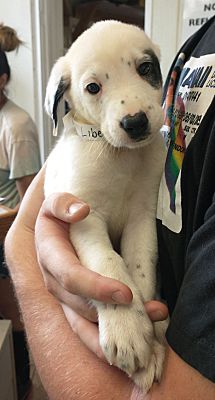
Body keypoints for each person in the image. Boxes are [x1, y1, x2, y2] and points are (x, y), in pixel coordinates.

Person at [4, 16, 215, 400]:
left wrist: (143, 310)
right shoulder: (201, 42)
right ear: (67, 98)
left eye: (143, 69)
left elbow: (140, 219)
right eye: (95, 87)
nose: (132, 109)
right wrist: (23, 243)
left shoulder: (151, 145)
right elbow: (79, 218)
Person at [0, 23, 41, 400]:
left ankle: (22, 386)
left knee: (12, 324)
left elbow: (30, 210)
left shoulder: (17, 126)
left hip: (6, 238)